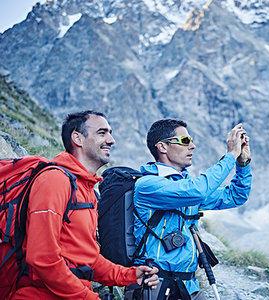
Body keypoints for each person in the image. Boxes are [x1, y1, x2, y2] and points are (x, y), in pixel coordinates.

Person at [12, 110, 159, 300]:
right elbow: (42, 258)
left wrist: (129, 275)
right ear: (77, 138)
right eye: (102, 132)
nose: (111, 140)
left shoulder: (86, 189)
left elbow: (87, 258)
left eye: (110, 133)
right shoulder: (54, 181)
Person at [133, 119, 252, 299]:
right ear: (162, 147)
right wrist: (230, 155)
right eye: (185, 141)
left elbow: (236, 196)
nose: (193, 146)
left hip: (189, 286)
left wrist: (242, 164)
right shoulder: (149, 185)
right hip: (156, 285)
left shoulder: (185, 187)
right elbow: (199, 190)